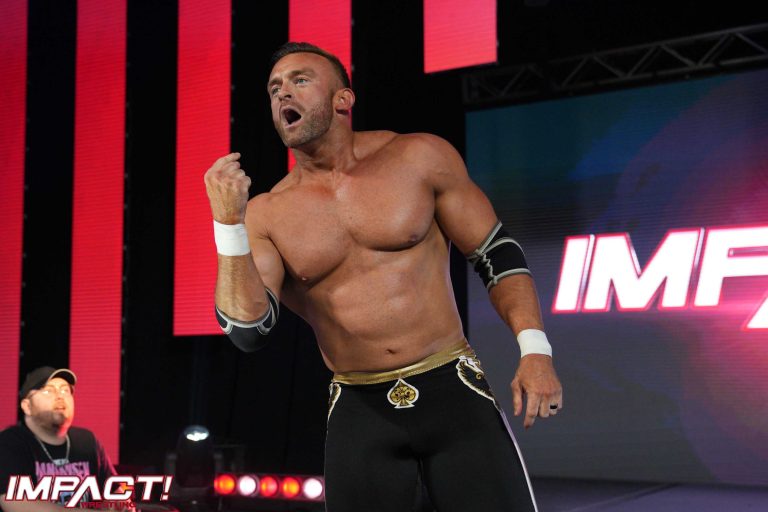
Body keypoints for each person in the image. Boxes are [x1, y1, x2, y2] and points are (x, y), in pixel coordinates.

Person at [205, 42, 563, 511]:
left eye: (299, 80)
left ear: (343, 99)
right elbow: (248, 331)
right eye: (274, 89)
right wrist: (228, 225)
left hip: (453, 390)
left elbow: (496, 253)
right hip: (361, 409)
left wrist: (535, 349)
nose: (283, 94)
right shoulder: (266, 213)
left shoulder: (418, 157)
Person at [0, 367, 118, 511]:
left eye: (65, 390)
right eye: (48, 391)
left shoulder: (87, 441)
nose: (60, 396)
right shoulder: (10, 442)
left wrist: (119, 504)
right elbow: (14, 503)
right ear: (27, 406)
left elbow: (116, 490)